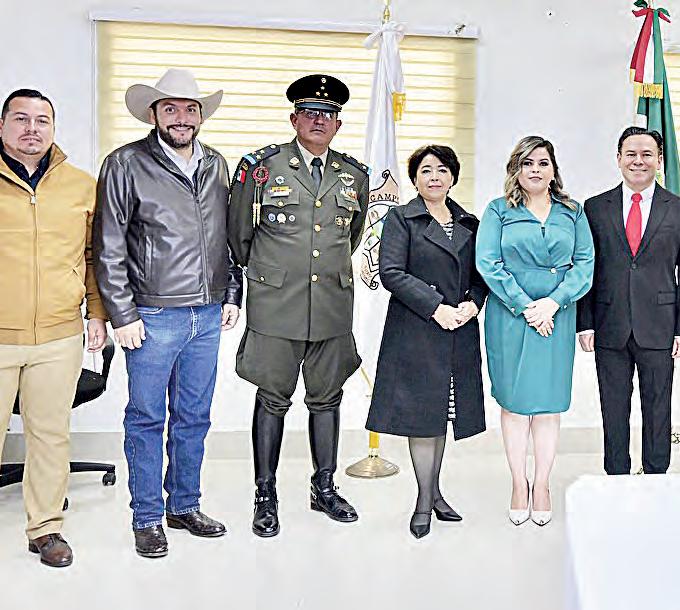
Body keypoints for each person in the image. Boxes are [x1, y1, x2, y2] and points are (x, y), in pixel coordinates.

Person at [94, 69, 241, 557]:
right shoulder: (125, 163)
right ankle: (147, 518)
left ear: (201, 116)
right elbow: (108, 244)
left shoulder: (216, 164)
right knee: (146, 418)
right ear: (153, 114)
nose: (182, 117)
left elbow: (227, 237)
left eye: (190, 109)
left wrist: (231, 292)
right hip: (152, 315)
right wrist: (122, 314)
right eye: (171, 108)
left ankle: (184, 505)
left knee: (194, 417)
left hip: (208, 313)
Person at [227, 74, 368, 536]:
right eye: (309, 112)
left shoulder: (354, 175)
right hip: (276, 305)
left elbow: (350, 237)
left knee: (327, 398)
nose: (318, 120)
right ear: (293, 119)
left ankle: (323, 487)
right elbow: (239, 237)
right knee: (272, 398)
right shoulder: (260, 168)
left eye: (327, 115)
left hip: (331, 305)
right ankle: (265, 494)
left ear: (338, 124)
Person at [0, 89, 108, 568]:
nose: (32, 128)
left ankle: (45, 529)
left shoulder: (81, 186)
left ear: (53, 128)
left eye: (42, 120)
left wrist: (97, 312)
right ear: (2, 125)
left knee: (50, 436)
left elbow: (92, 257)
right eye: (21, 119)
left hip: (59, 337)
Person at [365, 145, 488, 539]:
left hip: (458, 332)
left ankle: (434, 493)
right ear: (415, 179)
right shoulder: (401, 218)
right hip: (417, 330)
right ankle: (423, 501)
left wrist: (473, 304)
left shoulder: (470, 222)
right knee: (422, 417)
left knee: (441, 414)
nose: (434, 177)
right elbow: (392, 272)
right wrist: (437, 308)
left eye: (442, 170)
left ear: (453, 177)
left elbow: (481, 275)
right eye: (426, 171)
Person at [477, 136, 594, 525]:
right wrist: (527, 306)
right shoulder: (498, 211)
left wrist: (553, 303)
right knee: (514, 404)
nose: (535, 170)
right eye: (527, 163)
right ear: (516, 168)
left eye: (543, 163)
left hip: (557, 316)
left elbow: (585, 264)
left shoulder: (572, 212)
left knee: (547, 405)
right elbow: (488, 263)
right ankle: (518, 482)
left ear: (553, 169)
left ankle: (541, 484)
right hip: (510, 316)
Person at [577, 126, 680, 475]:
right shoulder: (595, 208)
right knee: (613, 408)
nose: (638, 161)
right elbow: (586, 268)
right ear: (618, 159)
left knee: (658, 408)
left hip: (661, 326)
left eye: (647, 154)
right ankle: (616, 477)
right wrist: (584, 323)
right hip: (609, 324)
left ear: (659, 160)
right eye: (631, 154)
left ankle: (656, 477)